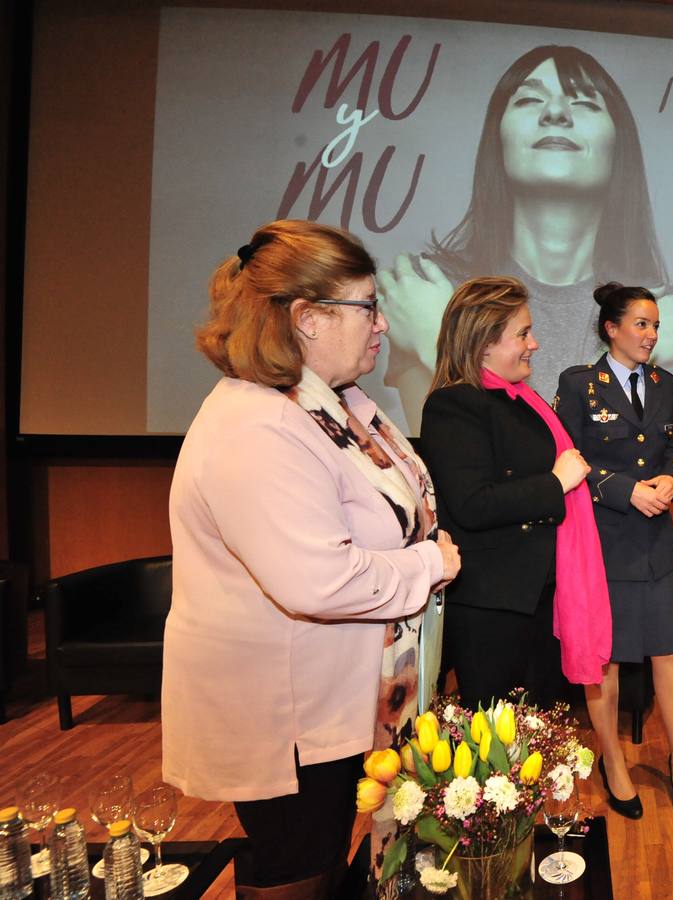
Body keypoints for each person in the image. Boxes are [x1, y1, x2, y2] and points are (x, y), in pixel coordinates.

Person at [162, 219, 461, 897]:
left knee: (328, 857)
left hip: (340, 696)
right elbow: (319, 581)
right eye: (366, 307)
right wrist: (429, 567)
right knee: (298, 866)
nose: (382, 325)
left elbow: (405, 504)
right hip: (286, 714)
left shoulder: (336, 400)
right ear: (307, 318)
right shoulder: (255, 426)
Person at [379, 44, 673, 432]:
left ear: (618, 146)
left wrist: (445, 345)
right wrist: (437, 337)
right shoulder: (428, 292)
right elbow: (456, 457)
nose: (555, 113)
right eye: (528, 99)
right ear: (499, 137)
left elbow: (618, 464)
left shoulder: (665, 316)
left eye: (586, 104)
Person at [419, 275, 611, 711]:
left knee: (536, 734)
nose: (534, 344)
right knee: (495, 742)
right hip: (493, 603)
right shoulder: (455, 405)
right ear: (484, 342)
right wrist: (556, 483)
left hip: (538, 593)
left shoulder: (518, 398)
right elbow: (473, 504)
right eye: (522, 333)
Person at [554, 282, 673, 822]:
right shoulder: (578, 385)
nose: (651, 334)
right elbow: (567, 459)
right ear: (611, 328)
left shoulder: (666, 383)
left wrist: (671, 479)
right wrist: (622, 490)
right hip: (605, 540)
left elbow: (667, 448)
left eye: (656, 325)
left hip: (657, 539)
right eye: (641, 324)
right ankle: (613, 763)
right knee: (606, 659)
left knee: (671, 652)